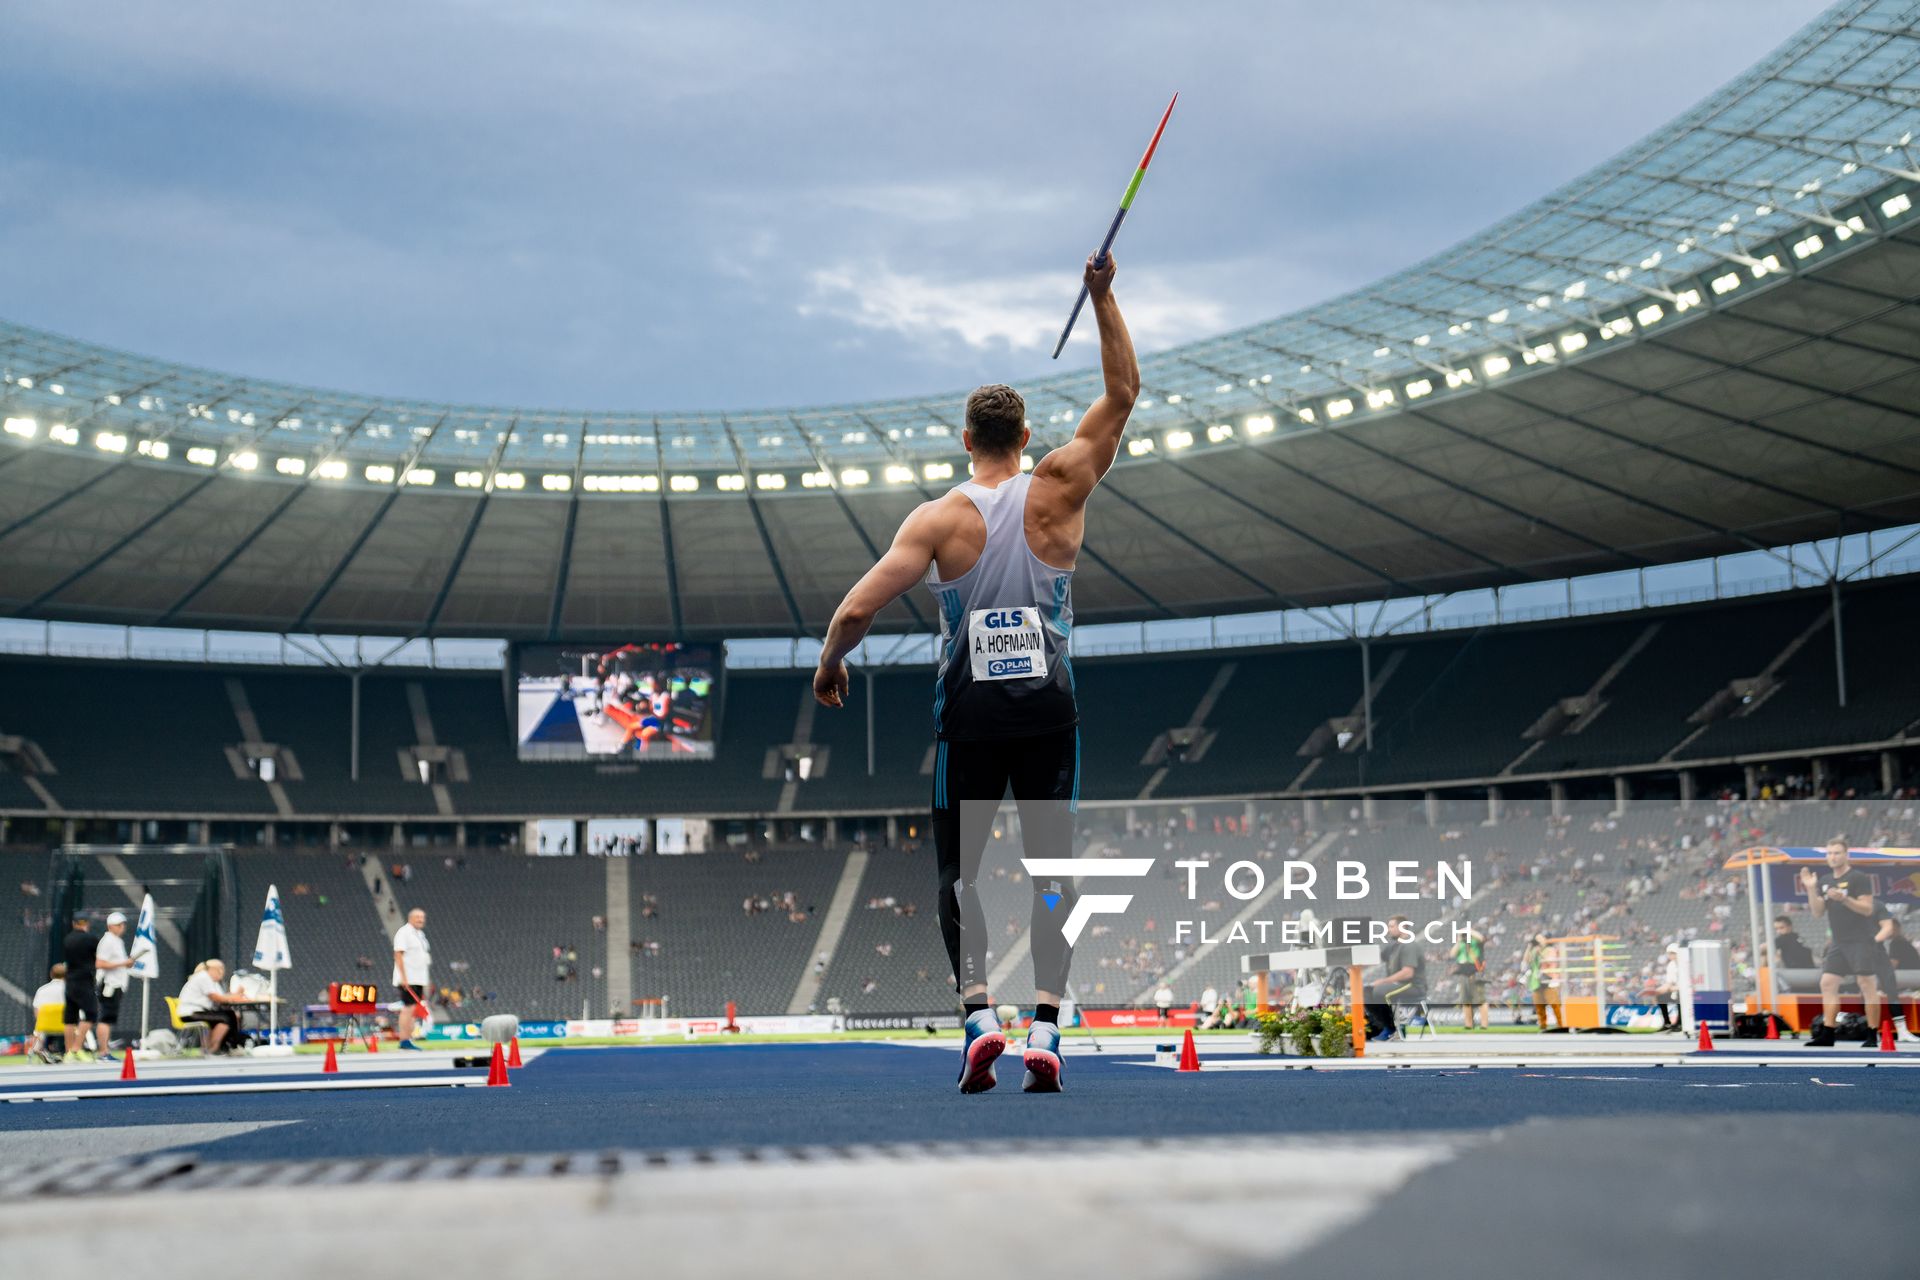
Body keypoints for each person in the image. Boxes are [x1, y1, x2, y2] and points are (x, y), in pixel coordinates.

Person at [812, 253, 1138, 1094]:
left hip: (971, 723)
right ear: (1026, 439)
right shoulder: (1062, 485)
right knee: (1053, 875)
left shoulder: (937, 520)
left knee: (958, 873)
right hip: (1050, 718)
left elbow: (854, 611)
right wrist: (1103, 298)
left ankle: (977, 1015)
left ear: (967, 442)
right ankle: (1048, 1028)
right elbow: (1123, 393)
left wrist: (829, 665)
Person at [1801, 837, 1880, 1046]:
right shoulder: (1825, 880)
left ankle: (1873, 1033)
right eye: (1829, 853)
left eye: (1837, 853)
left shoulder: (1858, 878)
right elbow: (1818, 912)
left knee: (1866, 984)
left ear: (1846, 855)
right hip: (1838, 942)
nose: (1832, 857)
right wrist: (1811, 888)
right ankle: (1828, 1033)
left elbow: (1868, 909)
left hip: (1860, 940)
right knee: (1827, 983)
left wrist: (1844, 899)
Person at [1364, 915, 1426, 1041]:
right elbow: (1375, 958)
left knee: (1380, 991)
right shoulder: (1393, 947)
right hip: (1399, 985)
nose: (1388, 929)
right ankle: (1379, 1027)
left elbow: (1408, 973)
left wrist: (1383, 981)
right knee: (1366, 991)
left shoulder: (1409, 946)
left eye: (1391, 926)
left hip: (1413, 985)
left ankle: (1393, 1029)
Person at [176, 960, 254, 1055]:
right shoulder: (204, 977)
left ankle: (225, 1046)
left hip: (199, 1012)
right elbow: (217, 998)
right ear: (213, 969)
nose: (222, 973)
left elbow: (222, 998)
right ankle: (215, 1048)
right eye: (220, 970)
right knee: (226, 1018)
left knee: (229, 1015)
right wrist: (235, 996)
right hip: (190, 1013)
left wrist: (235, 995)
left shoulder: (212, 982)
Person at [93, 910, 133, 1061]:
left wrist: (125, 964)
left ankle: (105, 1050)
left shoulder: (117, 941)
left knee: (108, 1018)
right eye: (119, 925)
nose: (123, 927)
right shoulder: (108, 940)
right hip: (109, 984)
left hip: (115, 985)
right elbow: (100, 963)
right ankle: (103, 1052)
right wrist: (124, 963)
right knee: (106, 1017)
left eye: (123, 924)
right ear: (111, 926)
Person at [392, 907, 432, 1050]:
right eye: (417, 917)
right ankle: (404, 1040)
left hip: (418, 978)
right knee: (408, 1008)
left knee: (413, 1009)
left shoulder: (419, 934)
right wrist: (404, 978)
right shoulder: (404, 932)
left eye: (422, 917)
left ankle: (408, 1038)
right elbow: (398, 954)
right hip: (409, 978)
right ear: (410, 918)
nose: (421, 920)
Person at [61, 916, 98, 1063]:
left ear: (73, 923)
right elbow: (98, 957)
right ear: (86, 924)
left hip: (70, 981)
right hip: (84, 981)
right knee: (91, 1014)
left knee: (70, 1018)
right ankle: (76, 1049)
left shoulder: (67, 939)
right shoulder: (90, 939)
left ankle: (68, 1052)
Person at [1450, 925, 1488, 1030]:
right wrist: (1459, 939)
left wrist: (1469, 931)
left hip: (1476, 971)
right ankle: (1468, 1024)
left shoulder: (1476, 941)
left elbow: (1481, 938)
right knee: (1465, 999)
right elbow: (1452, 954)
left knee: (1480, 1000)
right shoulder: (1461, 943)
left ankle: (1484, 1024)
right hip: (1463, 973)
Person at [28, 964, 67, 1062]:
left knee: (40, 1029)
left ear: (51, 974)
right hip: (65, 1026)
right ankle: (72, 1052)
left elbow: (37, 1011)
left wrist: (41, 1023)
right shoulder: (68, 989)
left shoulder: (42, 990)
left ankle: (38, 1048)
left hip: (44, 1026)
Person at [1523, 934, 1562, 1031]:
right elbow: (1526, 961)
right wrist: (1529, 947)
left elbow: (1549, 961)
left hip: (1549, 979)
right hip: (1536, 981)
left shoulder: (1550, 949)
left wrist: (1539, 951)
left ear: (1545, 940)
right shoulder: (1534, 950)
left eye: (1540, 939)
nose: (1538, 941)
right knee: (1539, 1004)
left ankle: (1561, 1024)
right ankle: (1543, 1025)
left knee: (1554, 1003)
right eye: (1537, 940)